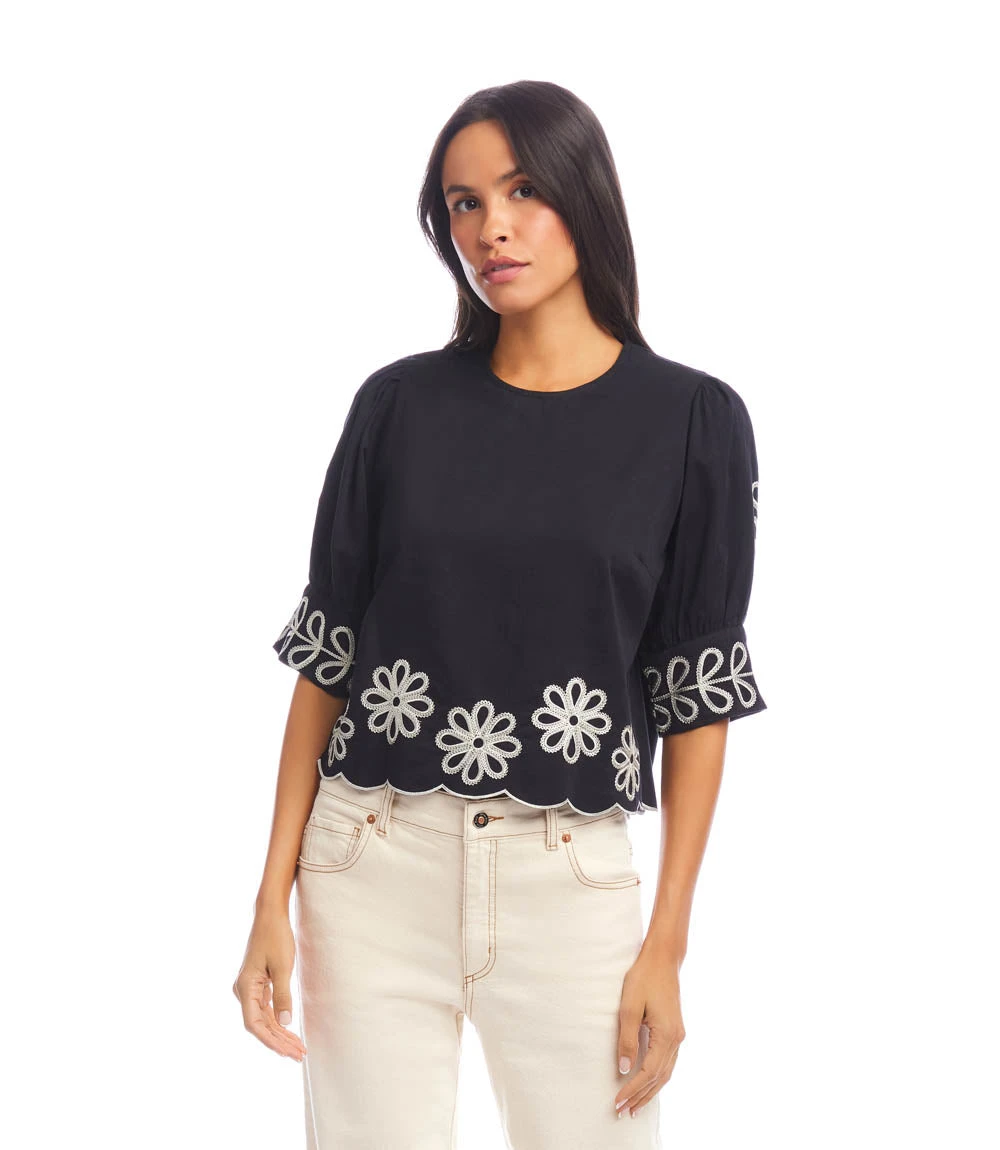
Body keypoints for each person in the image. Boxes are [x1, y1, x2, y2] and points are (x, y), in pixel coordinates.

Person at [233, 79, 767, 1150]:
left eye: (524, 191)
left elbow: (694, 695)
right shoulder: (397, 407)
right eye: (464, 203)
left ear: (585, 195)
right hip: (370, 864)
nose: (492, 229)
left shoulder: (693, 422)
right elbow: (327, 661)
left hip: (569, 879)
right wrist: (268, 900)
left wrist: (667, 941)